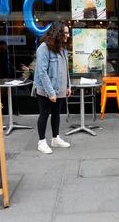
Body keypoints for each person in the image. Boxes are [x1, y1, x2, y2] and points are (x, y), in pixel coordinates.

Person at [33, 21, 71, 154]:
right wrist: (50, 92)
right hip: (46, 91)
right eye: (65, 32)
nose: (68, 35)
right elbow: (42, 72)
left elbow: (66, 69)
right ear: (58, 33)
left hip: (60, 89)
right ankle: (41, 142)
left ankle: (55, 138)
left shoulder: (63, 49)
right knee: (44, 114)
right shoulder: (43, 48)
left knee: (56, 114)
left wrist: (68, 86)